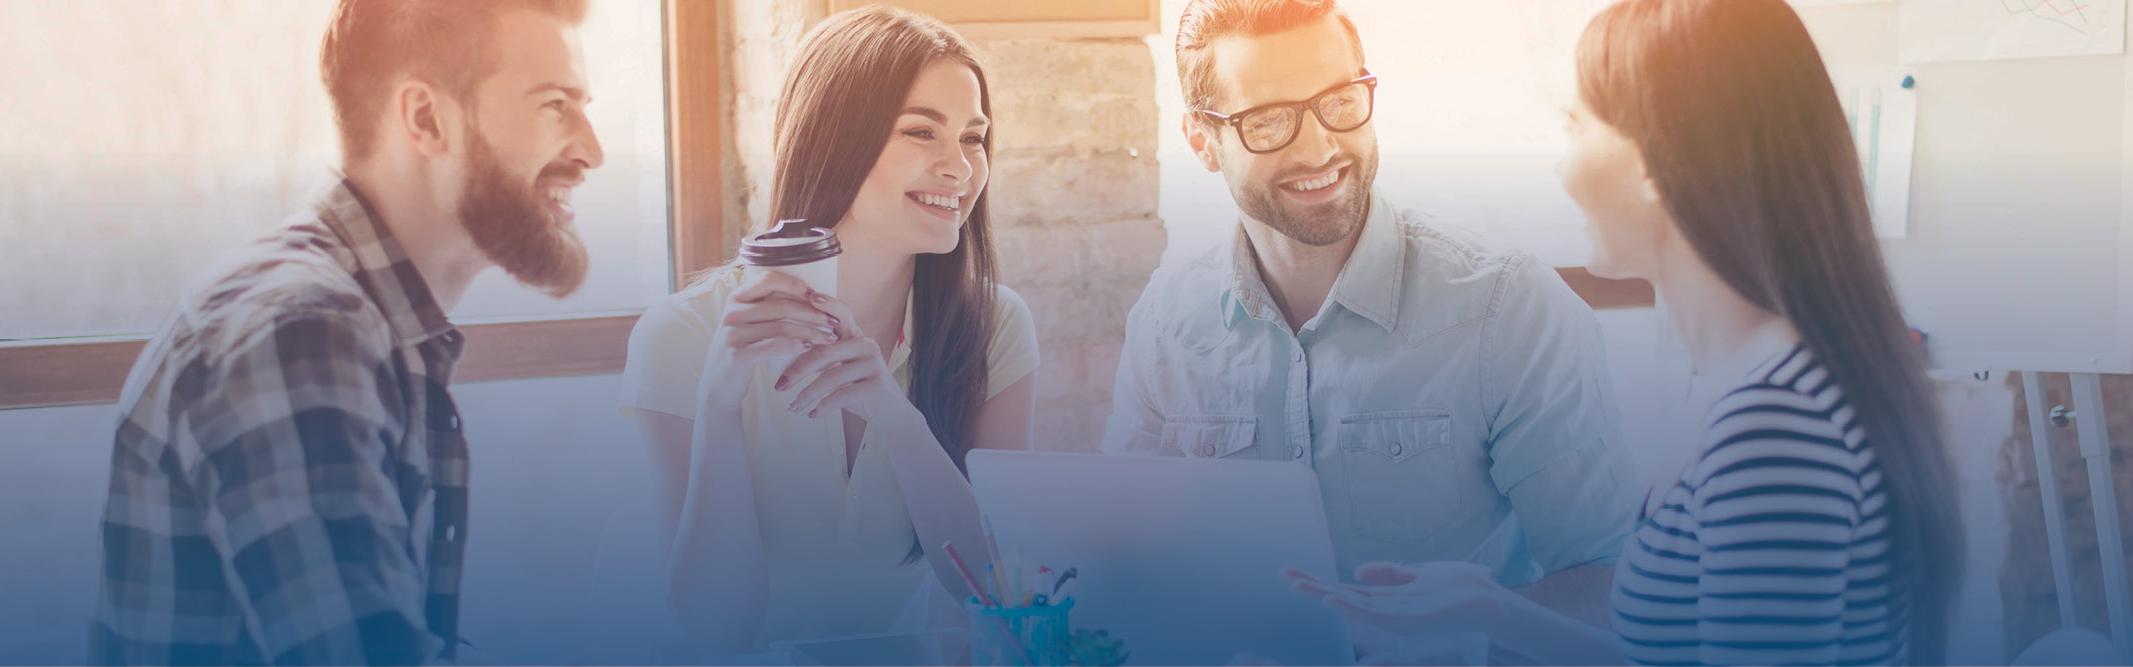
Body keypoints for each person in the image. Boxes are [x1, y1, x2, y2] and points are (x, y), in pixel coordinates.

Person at [1288, 1, 1964, 664]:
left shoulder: (1772, 422)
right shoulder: (1773, 381)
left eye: (1576, 127)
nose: (1563, 168)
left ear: (1652, 156)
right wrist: (1489, 608)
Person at [91, 0, 605, 663]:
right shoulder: (299, 330)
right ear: (426, 119)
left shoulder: (363, 323)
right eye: (555, 105)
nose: (591, 149)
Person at [1103, 0, 1639, 626]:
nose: (1320, 146)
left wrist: (1471, 629)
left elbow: (1611, 582)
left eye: (1339, 99)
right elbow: (1127, 560)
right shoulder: (1165, 325)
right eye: (1271, 120)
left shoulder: (1510, 310)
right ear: (1203, 140)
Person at [617, 6, 1037, 652]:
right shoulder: (679, 335)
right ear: (834, 139)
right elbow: (715, 622)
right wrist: (718, 406)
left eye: (973, 138)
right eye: (921, 133)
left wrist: (897, 418)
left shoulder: (994, 325)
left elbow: (998, 587)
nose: (959, 167)